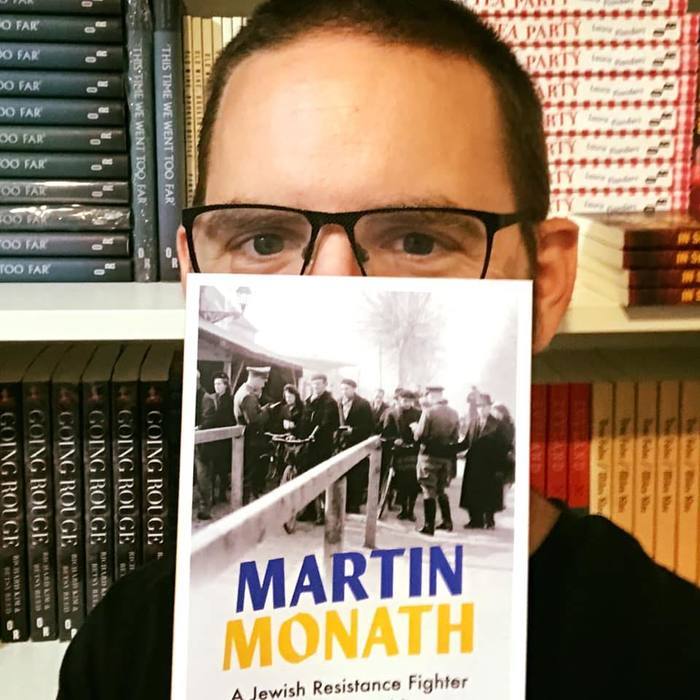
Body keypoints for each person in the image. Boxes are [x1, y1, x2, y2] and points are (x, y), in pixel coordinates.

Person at [58, 1, 700, 698]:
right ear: (190, 279)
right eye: (263, 240)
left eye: (419, 240)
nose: (331, 292)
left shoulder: (666, 651)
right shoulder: (123, 652)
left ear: (545, 285)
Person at [412, 385, 460, 535]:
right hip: (445, 457)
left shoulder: (429, 412)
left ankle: (429, 526)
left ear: (431, 396)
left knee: (428, 489)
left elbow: (420, 435)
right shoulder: (454, 413)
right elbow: (455, 437)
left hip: (429, 456)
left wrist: (415, 429)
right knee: (441, 490)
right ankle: (447, 521)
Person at [459, 393, 506, 529]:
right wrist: (448, 449)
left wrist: (500, 468)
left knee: (489, 492)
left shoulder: (498, 425)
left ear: (489, 407)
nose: (481, 409)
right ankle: (475, 520)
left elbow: (503, 448)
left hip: (490, 465)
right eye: (479, 406)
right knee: (473, 491)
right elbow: (466, 442)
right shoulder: (473, 422)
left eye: (484, 406)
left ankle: (489, 520)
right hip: (474, 464)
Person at [195, 371, 234, 520]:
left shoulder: (228, 400)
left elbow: (224, 418)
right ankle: (215, 495)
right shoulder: (213, 397)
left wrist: (204, 426)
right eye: (215, 384)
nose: (217, 386)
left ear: (225, 385)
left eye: (219, 384)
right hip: (214, 438)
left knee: (222, 467)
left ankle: (221, 493)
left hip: (223, 438)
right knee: (214, 466)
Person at [233, 366, 272, 502]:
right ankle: (246, 505)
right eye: (263, 381)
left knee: (246, 474)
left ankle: (246, 502)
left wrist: (260, 410)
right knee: (249, 475)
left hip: (245, 438)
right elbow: (254, 421)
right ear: (256, 378)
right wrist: (266, 411)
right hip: (251, 440)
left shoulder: (242, 391)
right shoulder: (248, 396)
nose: (264, 385)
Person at [382, 389, 421, 521]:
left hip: (414, 451)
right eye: (405, 401)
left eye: (410, 401)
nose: (407, 404)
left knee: (414, 482)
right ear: (398, 400)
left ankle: (411, 510)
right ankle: (403, 509)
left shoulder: (418, 414)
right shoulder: (391, 413)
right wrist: (394, 440)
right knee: (402, 482)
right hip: (399, 452)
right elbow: (386, 433)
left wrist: (417, 434)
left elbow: (423, 432)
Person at [337, 378, 375, 513]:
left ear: (354, 389)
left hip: (357, 444)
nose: (344, 391)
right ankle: (342, 503)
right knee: (342, 474)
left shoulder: (363, 404)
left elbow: (369, 426)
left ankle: (354, 505)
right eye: (342, 389)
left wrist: (353, 431)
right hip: (341, 444)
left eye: (347, 389)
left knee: (356, 475)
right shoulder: (338, 403)